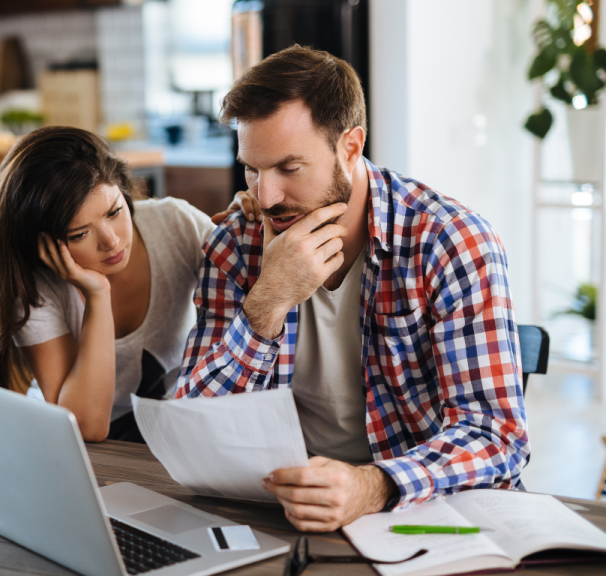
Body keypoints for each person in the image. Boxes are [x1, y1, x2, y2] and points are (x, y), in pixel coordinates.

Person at [175, 45, 529, 532]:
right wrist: (267, 303)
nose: (266, 196)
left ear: (350, 146)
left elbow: (496, 436)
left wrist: (372, 485)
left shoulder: (450, 242)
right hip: (283, 510)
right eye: (252, 170)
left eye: (288, 168)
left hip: (421, 509)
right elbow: (190, 431)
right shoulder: (235, 245)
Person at [0, 126, 256, 442]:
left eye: (114, 212)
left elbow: (255, 292)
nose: (111, 241)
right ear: (42, 243)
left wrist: (248, 229)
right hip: (74, 447)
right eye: (80, 234)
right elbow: (86, 427)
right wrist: (97, 295)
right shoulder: (33, 288)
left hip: (168, 430)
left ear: (124, 192)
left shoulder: (174, 225)